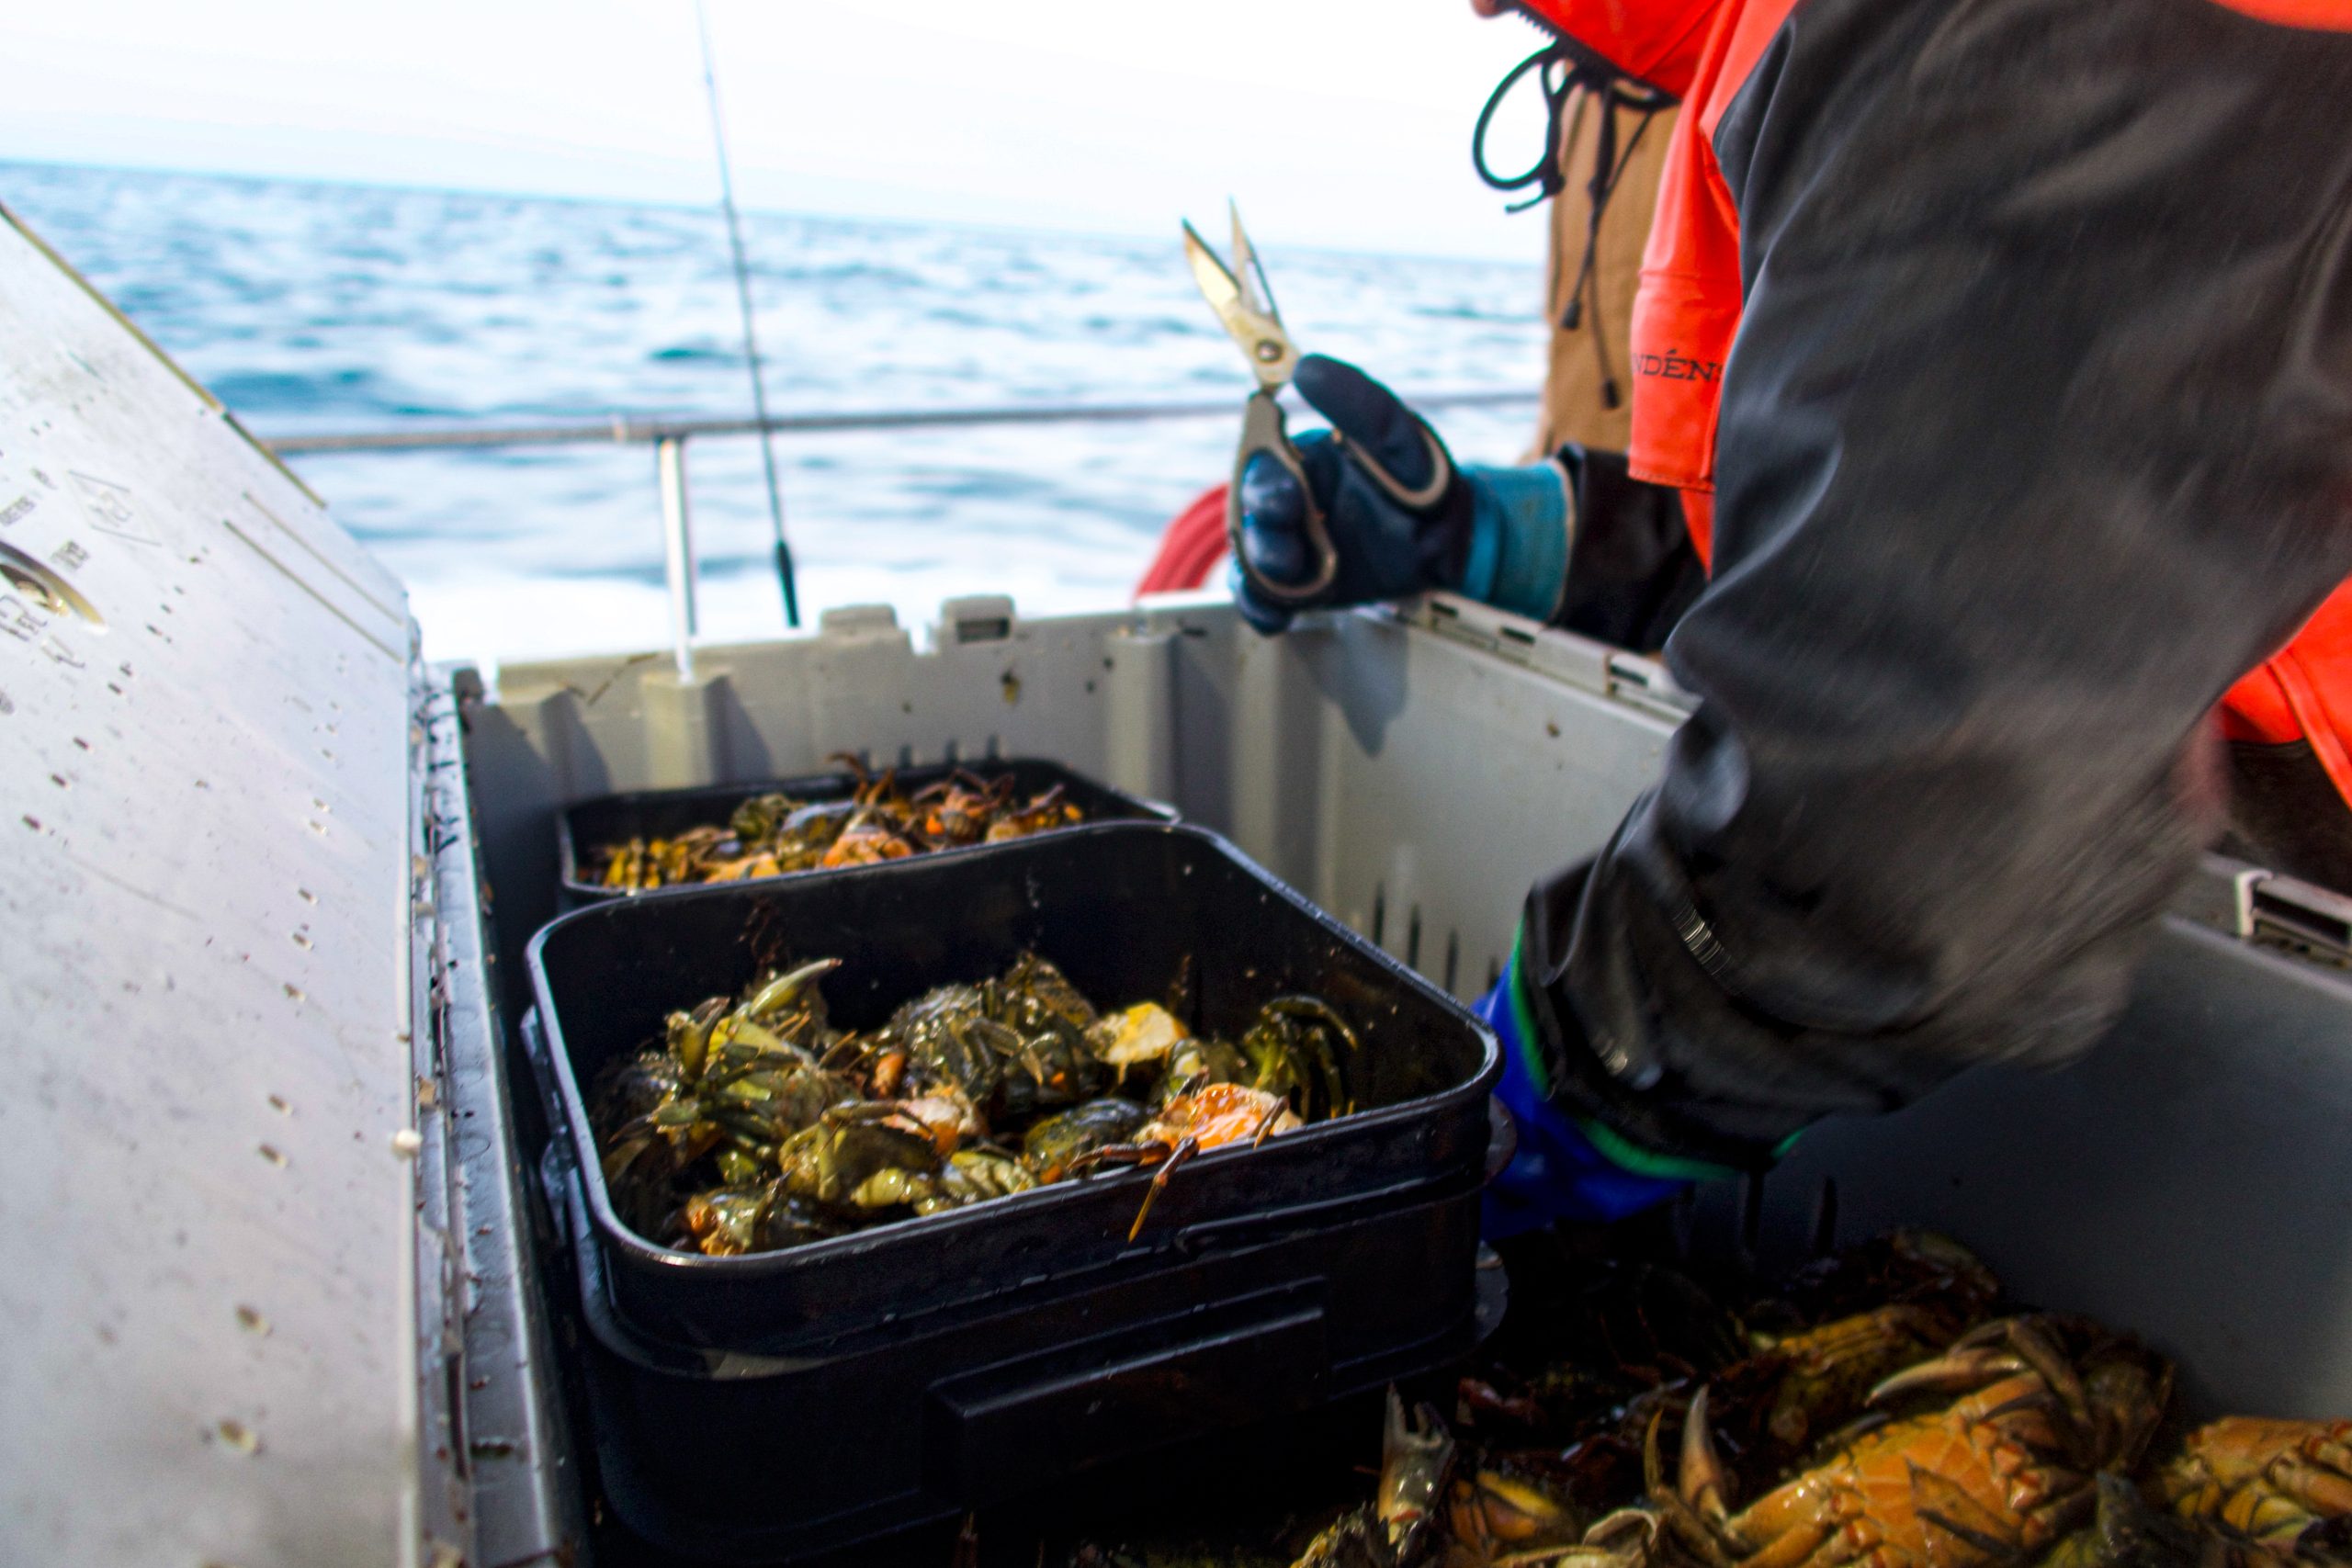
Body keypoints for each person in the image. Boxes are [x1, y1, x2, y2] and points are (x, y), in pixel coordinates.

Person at [1229, 0, 2352, 1231]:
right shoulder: (1775, 41)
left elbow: (1909, 798)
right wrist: (1524, 544)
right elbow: (1928, 512)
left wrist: (1530, 1115)